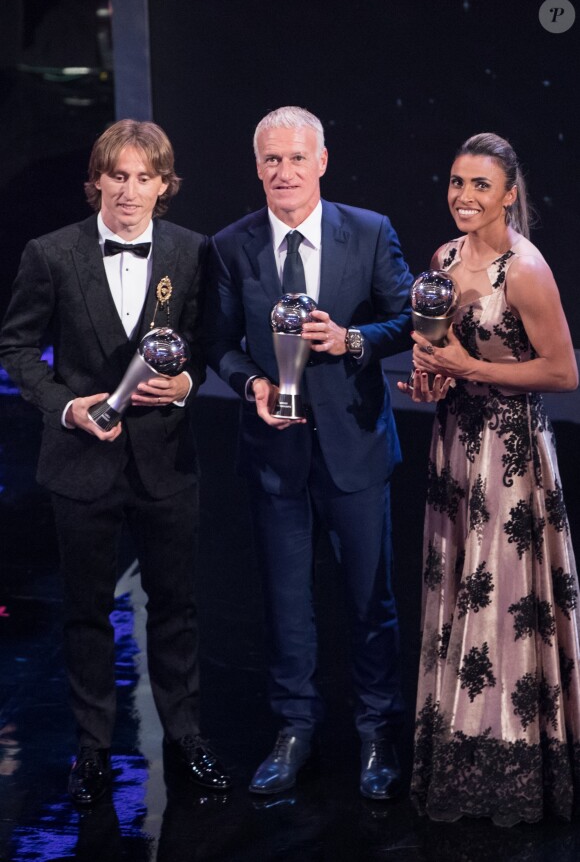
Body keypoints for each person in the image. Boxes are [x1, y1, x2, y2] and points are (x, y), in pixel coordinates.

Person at [0, 119, 231, 804]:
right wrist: (67, 406)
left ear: (164, 185)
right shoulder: (51, 253)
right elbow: (14, 349)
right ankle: (94, 751)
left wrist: (187, 385)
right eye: (118, 175)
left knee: (176, 609)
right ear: (97, 178)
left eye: (144, 177)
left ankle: (186, 741)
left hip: (165, 463)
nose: (129, 190)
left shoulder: (192, 252)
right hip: (80, 464)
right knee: (86, 613)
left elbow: (205, 343)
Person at [203, 106, 413, 799]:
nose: (283, 172)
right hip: (275, 453)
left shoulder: (370, 230)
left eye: (296, 159)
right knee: (286, 603)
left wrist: (351, 341)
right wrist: (253, 382)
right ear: (256, 166)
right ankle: (293, 730)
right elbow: (217, 343)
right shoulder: (232, 245)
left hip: (355, 447)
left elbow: (409, 317)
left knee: (368, 600)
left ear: (322, 161)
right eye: (271, 160)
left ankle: (378, 733)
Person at [399, 132, 580, 825]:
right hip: (454, 450)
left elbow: (564, 374)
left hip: (509, 456)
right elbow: (437, 354)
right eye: (455, 183)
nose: (464, 197)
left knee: (503, 598)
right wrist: (430, 378)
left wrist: (469, 371)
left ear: (509, 194)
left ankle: (512, 762)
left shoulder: (526, 270)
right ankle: (459, 746)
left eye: (480, 185)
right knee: (459, 592)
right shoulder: (442, 259)